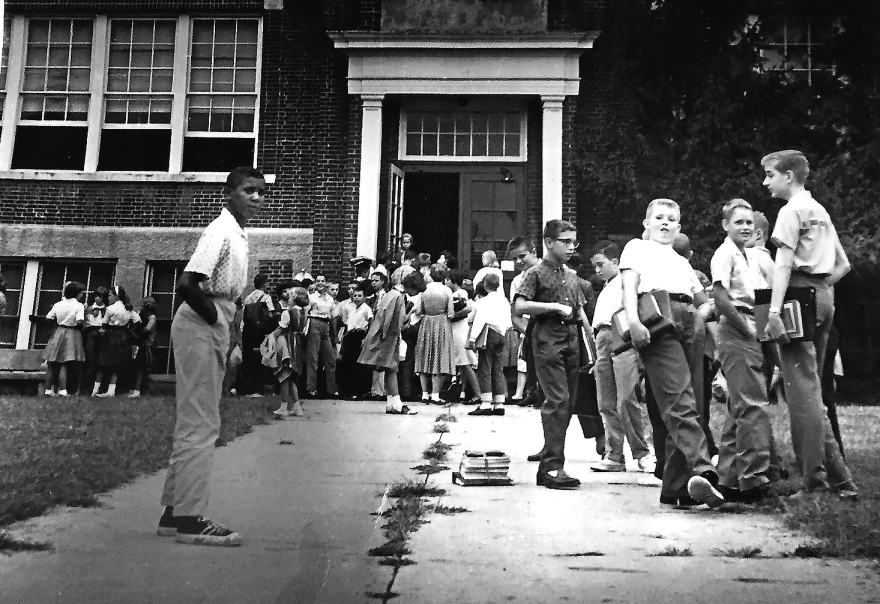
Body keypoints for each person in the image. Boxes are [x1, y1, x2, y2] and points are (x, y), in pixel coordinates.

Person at [157, 166, 266, 546]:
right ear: (228, 193)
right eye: (248, 190)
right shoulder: (220, 231)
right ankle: (190, 518)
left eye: (262, 192)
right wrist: (214, 319)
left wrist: (227, 327)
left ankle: (174, 510)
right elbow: (187, 283)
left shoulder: (237, 233)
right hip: (203, 319)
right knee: (202, 421)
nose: (256, 197)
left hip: (217, 318)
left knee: (197, 415)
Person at [761, 149, 857, 499]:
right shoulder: (820, 210)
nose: (766, 182)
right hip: (823, 295)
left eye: (770, 175)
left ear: (789, 176)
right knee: (811, 388)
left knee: (801, 394)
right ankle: (842, 482)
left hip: (797, 296)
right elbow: (843, 264)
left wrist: (774, 311)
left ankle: (814, 483)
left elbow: (783, 265)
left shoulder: (790, 211)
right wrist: (821, 289)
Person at [619, 198, 724, 508]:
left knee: (696, 399)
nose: (664, 223)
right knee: (677, 398)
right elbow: (629, 286)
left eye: (671, 219)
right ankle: (704, 469)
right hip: (655, 317)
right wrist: (635, 322)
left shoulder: (680, 261)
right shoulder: (637, 248)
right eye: (659, 218)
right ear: (647, 223)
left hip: (689, 318)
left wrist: (698, 316)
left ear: (678, 227)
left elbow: (705, 301)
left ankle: (675, 487)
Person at [513, 219, 590, 490]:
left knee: (567, 404)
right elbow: (520, 306)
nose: (571, 247)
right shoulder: (535, 272)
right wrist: (552, 307)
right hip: (547, 341)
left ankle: (551, 464)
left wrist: (591, 350)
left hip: (572, 342)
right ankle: (553, 468)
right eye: (565, 242)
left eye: (574, 242)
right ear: (548, 242)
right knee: (557, 400)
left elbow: (580, 314)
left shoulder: (570, 276)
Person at [710, 199, 775, 503]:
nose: (746, 227)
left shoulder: (749, 255)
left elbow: (759, 296)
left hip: (754, 325)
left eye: (750, 222)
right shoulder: (725, 254)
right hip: (738, 328)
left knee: (739, 407)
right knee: (752, 404)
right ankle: (754, 479)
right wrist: (748, 329)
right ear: (725, 226)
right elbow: (722, 298)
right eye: (739, 222)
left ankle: (729, 478)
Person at [589, 241, 654, 473]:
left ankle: (642, 452)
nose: (597, 270)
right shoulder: (607, 287)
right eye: (595, 266)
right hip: (602, 338)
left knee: (626, 397)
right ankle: (614, 453)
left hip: (621, 335)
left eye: (601, 264)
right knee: (605, 401)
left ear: (616, 262)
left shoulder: (627, 281)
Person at [358, 271, 416, 414]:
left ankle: (392, 402)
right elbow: (394, 320)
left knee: (390, 369)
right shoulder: (397, 297)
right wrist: (410, 314)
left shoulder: (391, 295)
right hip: (388, 337)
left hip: (385, 335)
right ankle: (396, 403)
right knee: (391, 368)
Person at [467, 272, 512, 416]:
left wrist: (472, 338)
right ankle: (499, 403)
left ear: (485, 285)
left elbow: (479, 320)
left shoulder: (483, 302)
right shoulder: (504, 300)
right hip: (502, 334)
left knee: (485, 367)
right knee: (498, 368)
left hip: (489, 333)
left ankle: (486, 403)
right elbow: (508, 321)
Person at [507, 237, 541, 407]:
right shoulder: (516, 281)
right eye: (514, 259)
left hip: (553, 331)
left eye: (522, 256)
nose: (519, 261)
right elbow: (515, 315)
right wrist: (531, 334)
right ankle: (531, 392)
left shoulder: (550, 271)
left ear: (534, 252)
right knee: (528, 363)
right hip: (529, 331)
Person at [415, 265, 456, 404]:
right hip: (441, 323)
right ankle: (436, 395)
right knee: (438, 357)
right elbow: (451, 313)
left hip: (426, 323)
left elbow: (418, 311)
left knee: (424, 357)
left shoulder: (424, 290)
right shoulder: (447, 291)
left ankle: (424, 394)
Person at [92, 286, 140, 398]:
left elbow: (104, 324)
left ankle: (95, 390)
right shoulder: (128, 309)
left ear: (116, 296)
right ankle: (111, 390)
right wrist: (129, 329)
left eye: (110, 295)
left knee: (103, 363)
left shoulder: (110, 309)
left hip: (110, 336)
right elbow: (137, 321)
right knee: (116, 365)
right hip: (123, 336)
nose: (108, 297)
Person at [266, 283, 306, 418]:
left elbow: (280, 329)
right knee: (292, 378)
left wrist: (270, 339)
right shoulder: (302, 312)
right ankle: (296, 406)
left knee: (284, 376)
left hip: (287, 344)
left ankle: (284, 406)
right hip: (297, 345)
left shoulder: (287, 313)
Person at [42, 281, 86, 397]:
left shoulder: (58, 304)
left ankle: (47, 390)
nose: (82, 294)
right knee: (64, 363)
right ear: (76, 293)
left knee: (52, 363)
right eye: (81, 292)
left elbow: (48, 318)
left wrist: (59, 321)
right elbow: (80, 322)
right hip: (71, 332)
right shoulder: (79, 306)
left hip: (58, 331)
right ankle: (63, 390)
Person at [446, 269, 481, 405]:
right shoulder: (459, 293)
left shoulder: (459, 293)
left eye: (448, 279)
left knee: (465, 363)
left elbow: (467, 309)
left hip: (459, 330)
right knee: (463, 364)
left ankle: (477, 394)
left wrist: (453, 315)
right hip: (459, 329)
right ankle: (465, 392)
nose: (446, 281)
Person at [239, 273, 278, 397]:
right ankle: (259, 387)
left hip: (248, 331)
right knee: (261, 358)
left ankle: (248, 387)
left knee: (249, 358)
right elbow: (270, 315)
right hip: (260, 331)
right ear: (264, 284)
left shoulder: (248, 298)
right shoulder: (266, 298)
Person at [305, 274, 338, 398]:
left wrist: (335, 335)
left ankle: (331, 389)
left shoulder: (329, 298)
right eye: (318, 281)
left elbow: (334, 316)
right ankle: (311, 389)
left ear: (326, 283)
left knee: (330, 358)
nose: (320, 283)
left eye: (322, 281)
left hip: (326, 324)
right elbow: (306, 311)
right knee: (313, 357)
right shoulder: (311, 297)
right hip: (315, 322)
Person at [338, 281, 373, 399]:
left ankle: (358, 391)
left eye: (359, 296)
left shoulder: (366, 309)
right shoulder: (350, 308)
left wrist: (367, 339)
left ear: (364, 297)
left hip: (360, 335)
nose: (357, 298)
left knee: (358, 364)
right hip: (350, 335)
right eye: (355, 296)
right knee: (347, 363)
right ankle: (347, 390)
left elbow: (370, 323)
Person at [79, 286, 108, 396]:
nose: (97, 299)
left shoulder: (107, 310)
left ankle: (98, 387)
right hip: (90, 335)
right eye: (96, 296)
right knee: (89, 361)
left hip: (103, 337)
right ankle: (84, 387)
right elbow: (85, 323)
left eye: (100, 297)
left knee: (100, 362)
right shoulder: (89, 309)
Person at [129, 296, 158, 399]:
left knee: (141, 368)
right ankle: (134, 388)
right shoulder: (141, 315)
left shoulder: (152, 317)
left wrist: (138, 332)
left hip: (147, 345)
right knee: (136, 367)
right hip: (140, 343)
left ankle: (137, 390)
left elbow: (148, 329)